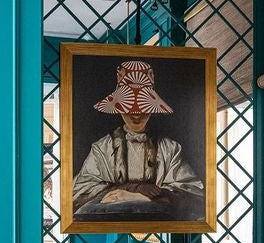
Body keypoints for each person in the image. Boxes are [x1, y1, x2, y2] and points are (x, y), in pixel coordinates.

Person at [71, 60, 204, 221]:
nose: (136, 115)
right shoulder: (102, 148)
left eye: (142, 108)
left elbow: (193, 193)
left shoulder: (170, 148)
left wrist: (159, 194)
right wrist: (134, 188)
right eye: (129, 108)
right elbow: (79, 192)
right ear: (119, 109)